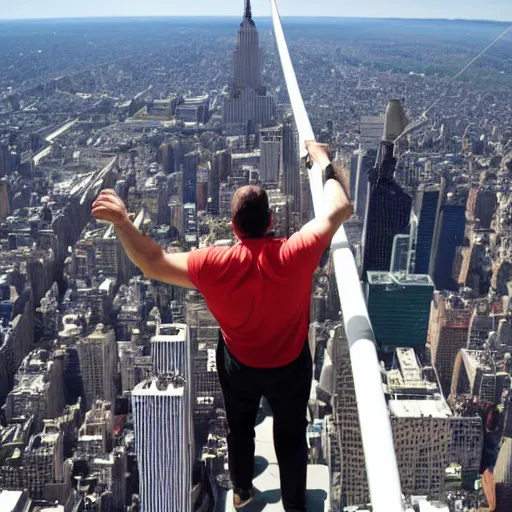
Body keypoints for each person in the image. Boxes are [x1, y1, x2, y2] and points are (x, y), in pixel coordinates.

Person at [92, 141, 352, 511]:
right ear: (271, 221)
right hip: (289, 365)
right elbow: (341, 206)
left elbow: (152, 262)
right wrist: (323, 159)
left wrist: (121, 221)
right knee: (291, 437)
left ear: (233, 227)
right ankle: (295, 504)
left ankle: (243, 492)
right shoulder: (294, 253)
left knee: (240, 430)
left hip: (239, 366)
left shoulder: (212, 264)